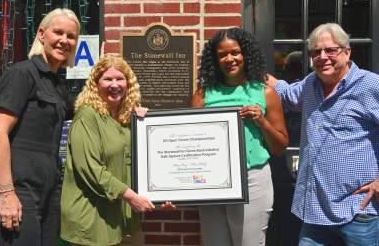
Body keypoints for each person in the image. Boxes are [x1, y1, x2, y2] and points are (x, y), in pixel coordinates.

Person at [267, 23, 379, 245]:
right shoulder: (310, 84)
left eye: (330, 50)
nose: (323, 57)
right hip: (315, 213)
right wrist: (249, 69)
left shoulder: (370, 86)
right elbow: (286, 93)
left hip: (358, 212)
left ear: (347, 52)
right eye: (316, 52)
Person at [60, 55, 173, 246]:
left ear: (128, 83)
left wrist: (160, 194)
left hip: (124, 217)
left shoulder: (127, 119)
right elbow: (90, 169)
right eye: (108, 79)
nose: (115, 84)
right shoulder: (87, 116)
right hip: (93, 218)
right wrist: (131, 196)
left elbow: (142, 161)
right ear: (95, 84)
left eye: (120, 79)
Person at [192, 27, 288, 246]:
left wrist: (261, 121)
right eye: (222, 54)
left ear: (246, 54)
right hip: (212, 181)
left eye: (235, 52)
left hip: (251, 178)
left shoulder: (265, 93)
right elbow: (192, 141)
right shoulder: (203, 94)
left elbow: (280, 146)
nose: (229, 59)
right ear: (214, 60)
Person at [0, 8, 80, 245]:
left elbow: (88, 111)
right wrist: (6, 194)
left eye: (71, 36)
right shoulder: (22, 74)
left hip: (51, 191)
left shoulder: (58, 86)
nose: (64, 40)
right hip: (21, 190)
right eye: (58, 33)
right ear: (42, 34)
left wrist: (131, 109)